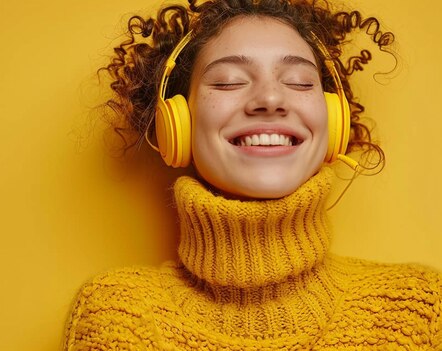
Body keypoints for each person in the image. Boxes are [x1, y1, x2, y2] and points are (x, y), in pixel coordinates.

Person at [64, 0, 442, 349]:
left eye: (299, 82)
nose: (271, 99)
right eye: (228, 81)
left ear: (334, 119)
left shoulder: (418, 309)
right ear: (176, 124)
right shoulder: (122, 314)